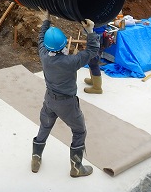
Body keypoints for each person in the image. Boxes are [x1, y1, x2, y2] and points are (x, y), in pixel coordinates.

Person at [31, 9, 100, 177]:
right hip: (67, 104)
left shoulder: (44, 55)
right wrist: (90, 31)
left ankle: (36, 156)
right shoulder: (70, 61)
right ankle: (76, 167)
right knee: (79, 131)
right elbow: (92, 51)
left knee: (45, 126)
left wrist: (46, 21)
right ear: (64, 45)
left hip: (49, 100)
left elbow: (41, 38)